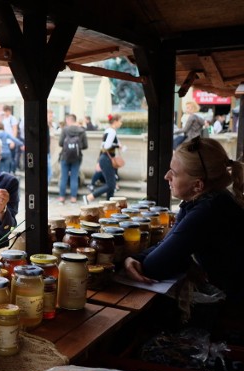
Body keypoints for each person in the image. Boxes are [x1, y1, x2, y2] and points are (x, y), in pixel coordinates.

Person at [124, 137, 244, 320]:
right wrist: (135, 257)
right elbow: (168, 243)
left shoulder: (207, 211)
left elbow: (155, 266)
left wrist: (145, 260)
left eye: (174, 173)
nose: (166, 177)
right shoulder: (207, 200)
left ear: (198, 185)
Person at [84, 114, 123, 203]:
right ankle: (90, 197)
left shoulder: (108, 130)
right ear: (115, 121)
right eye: (120, 121)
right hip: (107, 159)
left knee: (111, 184)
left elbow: (103, 146)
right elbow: (106, 146)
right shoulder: (112, 132)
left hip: (105, 158)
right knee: (111, 184)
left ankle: (109, 204)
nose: (121, 123)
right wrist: (117, 145)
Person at [58, 114, 88, 204]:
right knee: (74, 177)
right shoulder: (81, 131)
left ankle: (62, 197)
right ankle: (73, 197)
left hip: (65, 156)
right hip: (77, 157)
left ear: (68, 120)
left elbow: (60, 143)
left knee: (64, 177)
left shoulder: (65, 130)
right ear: (75, 120)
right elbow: (85, 145)